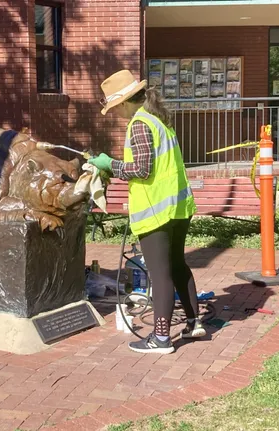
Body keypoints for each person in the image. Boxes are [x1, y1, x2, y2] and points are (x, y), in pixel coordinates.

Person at [89, 70, 206, 354]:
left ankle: (161, 339)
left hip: (156, 212)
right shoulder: (159, 122)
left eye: (113, 108)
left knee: (159, 274)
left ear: (122, 103)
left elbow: (141, 169)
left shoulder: (139, 124)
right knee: (178, 266)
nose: (114, 114)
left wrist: (109, 165)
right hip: (178, 209)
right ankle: (193, 323)